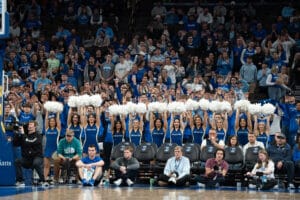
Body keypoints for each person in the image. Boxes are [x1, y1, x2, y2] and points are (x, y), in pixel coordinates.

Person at [13, 121, 49, 187]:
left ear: (35, 126)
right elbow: (15, 144)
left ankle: (43, 181)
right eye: (29, 124)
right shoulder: (24, 135)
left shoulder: (38, 135)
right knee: (17, 161)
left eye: (31, 124)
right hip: (27, 159)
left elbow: (29, 142)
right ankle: (20, 181)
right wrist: (18, 134)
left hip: (37, 157)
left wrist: (23, 134)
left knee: (36, 163)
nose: (29, 126)